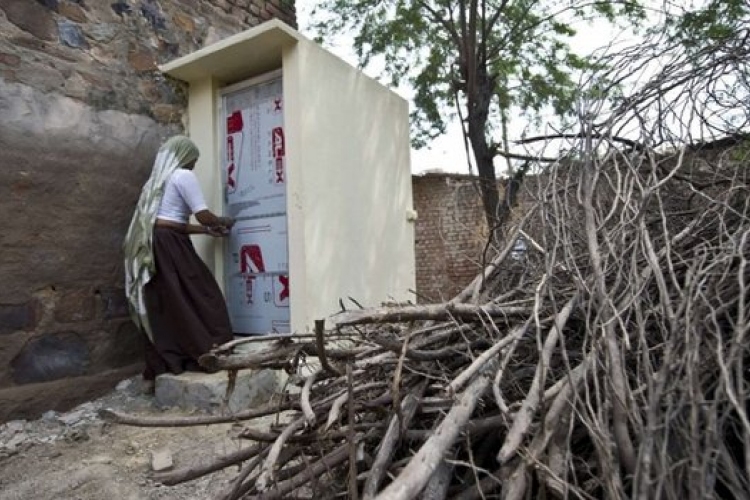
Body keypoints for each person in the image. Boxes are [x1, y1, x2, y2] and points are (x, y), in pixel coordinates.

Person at [123, 135, 235, 393]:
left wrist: (206, 233)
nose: (195, 164)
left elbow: (166, 221)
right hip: (170, 244)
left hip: (156, 244)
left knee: (169, 302)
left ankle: (168, 360)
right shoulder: (183, 176)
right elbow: (203, 215)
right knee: (202, 294)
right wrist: (222, 221)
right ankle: (211, 350)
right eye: (193, 158)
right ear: (185, 157)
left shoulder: (156, 183)